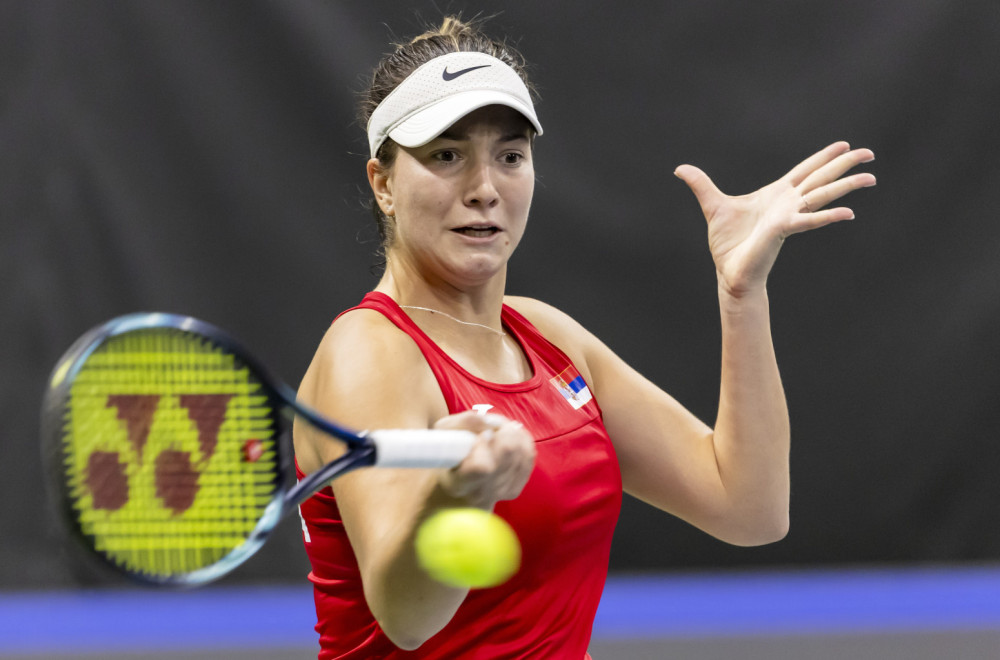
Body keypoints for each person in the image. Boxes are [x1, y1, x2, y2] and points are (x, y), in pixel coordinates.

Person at [292, 16, 876, 659]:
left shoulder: (549, 336)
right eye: (446, 156)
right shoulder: (369, 352)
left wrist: (742, 296)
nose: (484, 189)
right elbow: (406, 618)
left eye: (510, 156)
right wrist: (456, 499)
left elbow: (749, 509)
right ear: (383, 184)